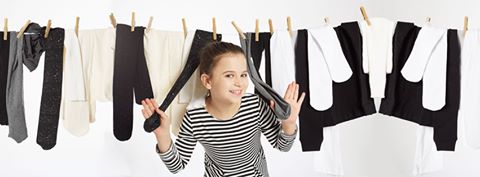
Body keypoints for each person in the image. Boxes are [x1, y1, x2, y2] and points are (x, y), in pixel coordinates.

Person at [141, 41, 305, 176]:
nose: (239, 83)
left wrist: (289, 124)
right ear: (207, 81)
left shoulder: (255, 105)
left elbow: (282, 145)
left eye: (243, 74)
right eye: (229, 75)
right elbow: (177, 166)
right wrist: (162, 136)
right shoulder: (194, 117)